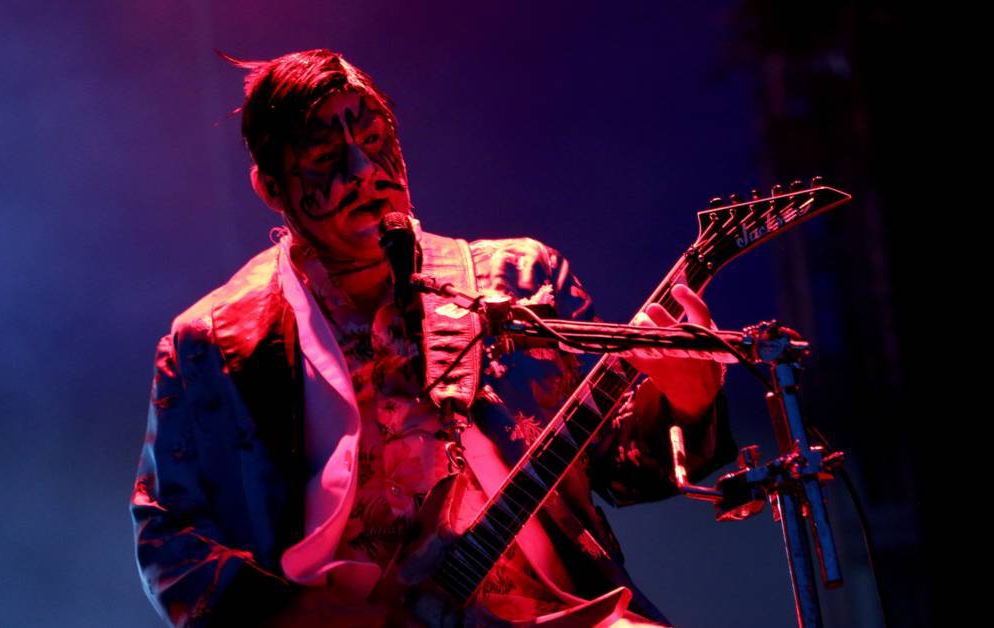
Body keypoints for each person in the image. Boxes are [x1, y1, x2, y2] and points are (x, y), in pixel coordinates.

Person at [130, 49, 735, 627]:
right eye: (325, 157)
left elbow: (625, 471)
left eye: (375, 142)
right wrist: (307, 618)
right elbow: (167, 537)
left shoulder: (521, 282)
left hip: (555, 612)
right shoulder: (213, 343)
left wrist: (687, 400)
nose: (364, 172)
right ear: (270, 187)